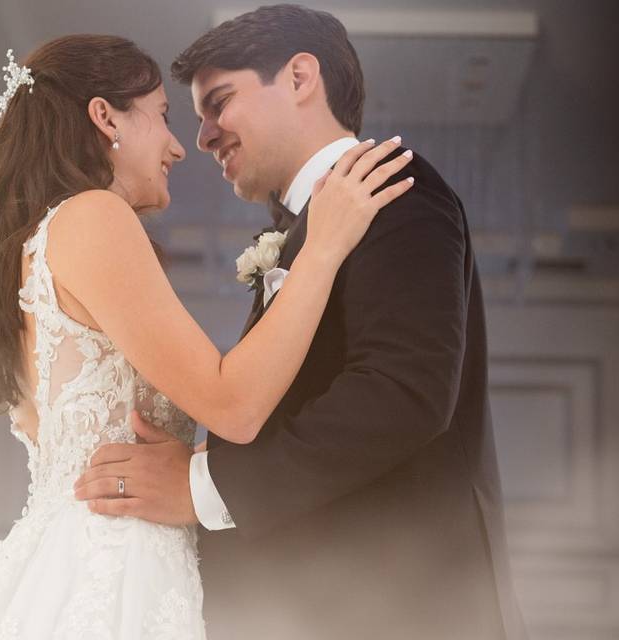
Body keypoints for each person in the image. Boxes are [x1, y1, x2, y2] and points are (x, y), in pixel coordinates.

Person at [0, 33, 411, 638]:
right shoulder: (93, 215)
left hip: (70, 558)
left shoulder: (31, 250)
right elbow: (235, 405)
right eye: (162, 116)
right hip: (117, 569)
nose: (180, 147)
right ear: (105, 117)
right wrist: (326, 246)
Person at [74, 5, 528, 640]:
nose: (203, 136)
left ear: (299, 76)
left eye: (219, 102)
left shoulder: (392, 189)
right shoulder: (304, 226)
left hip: (403, 607)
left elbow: (403, 395)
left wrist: (203, 485)